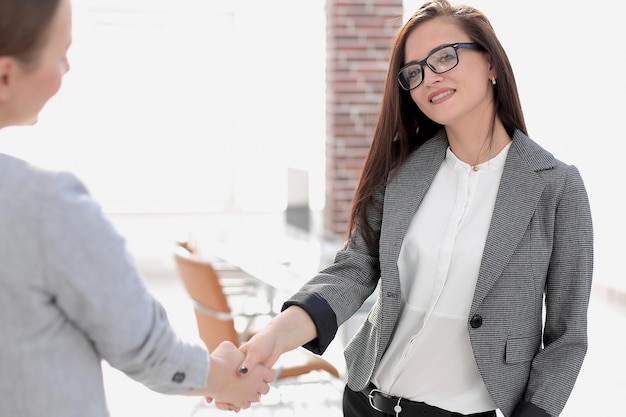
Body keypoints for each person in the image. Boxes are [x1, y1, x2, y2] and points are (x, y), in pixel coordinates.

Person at [233, 1, 593, 417]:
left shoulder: (556, 185)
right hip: (366, 401)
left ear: (491, 63)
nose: (429, 78)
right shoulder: (402, 168)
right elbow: (354, 269)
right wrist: (273, 338)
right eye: (415, 72)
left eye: (445, 56)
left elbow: (568, 339)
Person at [0, 0, 274, 415]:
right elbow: (145, 347)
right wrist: (225, 379)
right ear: (5, 75)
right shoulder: (42, 204)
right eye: (60, 55)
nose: (67, 69)